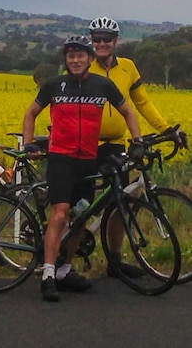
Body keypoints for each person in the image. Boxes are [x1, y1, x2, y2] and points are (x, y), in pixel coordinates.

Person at [22, 35, 142, 302]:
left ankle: (65, 270)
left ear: (89, 59)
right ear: (66, 60)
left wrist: (137, 142)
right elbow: (31, 113)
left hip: (88, 160)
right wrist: (29, 144)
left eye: (80, 55)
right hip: (61, 159)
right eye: (70, 56)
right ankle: (49, 274)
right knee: (60, 213)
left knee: (81, 215)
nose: (75, 60)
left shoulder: (103, 85)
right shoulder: (54, 85)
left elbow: (128, 112)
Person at [87, 16, 179, 278]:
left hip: (116, 146)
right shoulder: (82, 64)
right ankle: (66, 260)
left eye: (106, 39)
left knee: (119, 203)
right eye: (97, 39)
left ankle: (114, 261)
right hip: (86, 144)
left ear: (116, 42)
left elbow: (142, 103)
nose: (101, 43)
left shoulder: (128, 68)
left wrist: (165, 129)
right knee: (79, 203)